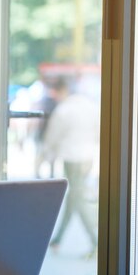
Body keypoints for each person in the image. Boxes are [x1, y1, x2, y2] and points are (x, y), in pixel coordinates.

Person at [42, 77, 99, 258]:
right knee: (74, 197)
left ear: (61, 91)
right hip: (88, 157)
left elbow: (52, 137)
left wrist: (45, 156)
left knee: (78, 199)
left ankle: (97, 242)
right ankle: (58, 238)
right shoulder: (90, 106)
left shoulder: (64, 110)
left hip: (72, 158)